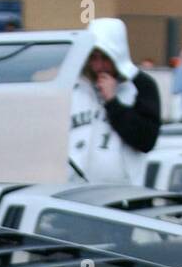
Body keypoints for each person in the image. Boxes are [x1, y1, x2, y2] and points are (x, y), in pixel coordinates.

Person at [69, 18, 161, 184]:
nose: (98, 66)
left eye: (105, 58)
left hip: (123, 194)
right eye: (93, 58)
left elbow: (146, 141)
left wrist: (112, 102)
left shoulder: (141, 86)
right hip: (76, 190)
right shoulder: (75, 87)